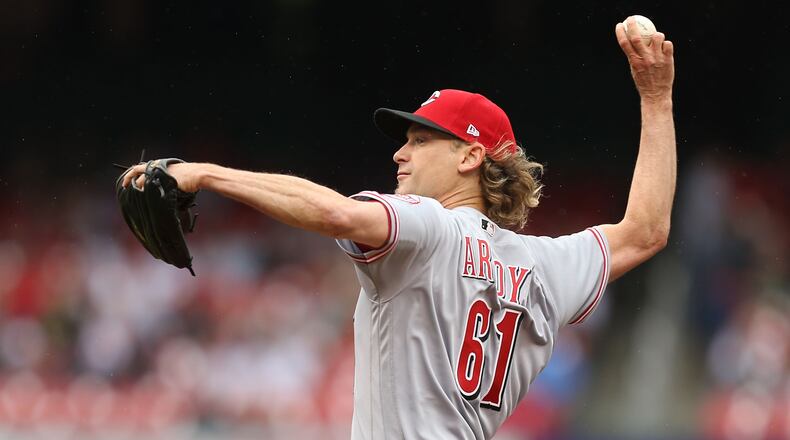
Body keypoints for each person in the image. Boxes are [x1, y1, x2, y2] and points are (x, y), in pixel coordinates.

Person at [122, 17, 675, 440]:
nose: (400, 153)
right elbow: (645, 231)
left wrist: (204, 173)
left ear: (470, 157)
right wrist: (656, 98)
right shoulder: (544, 265)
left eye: (421, 140)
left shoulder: (431, 227)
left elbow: (338, 214)